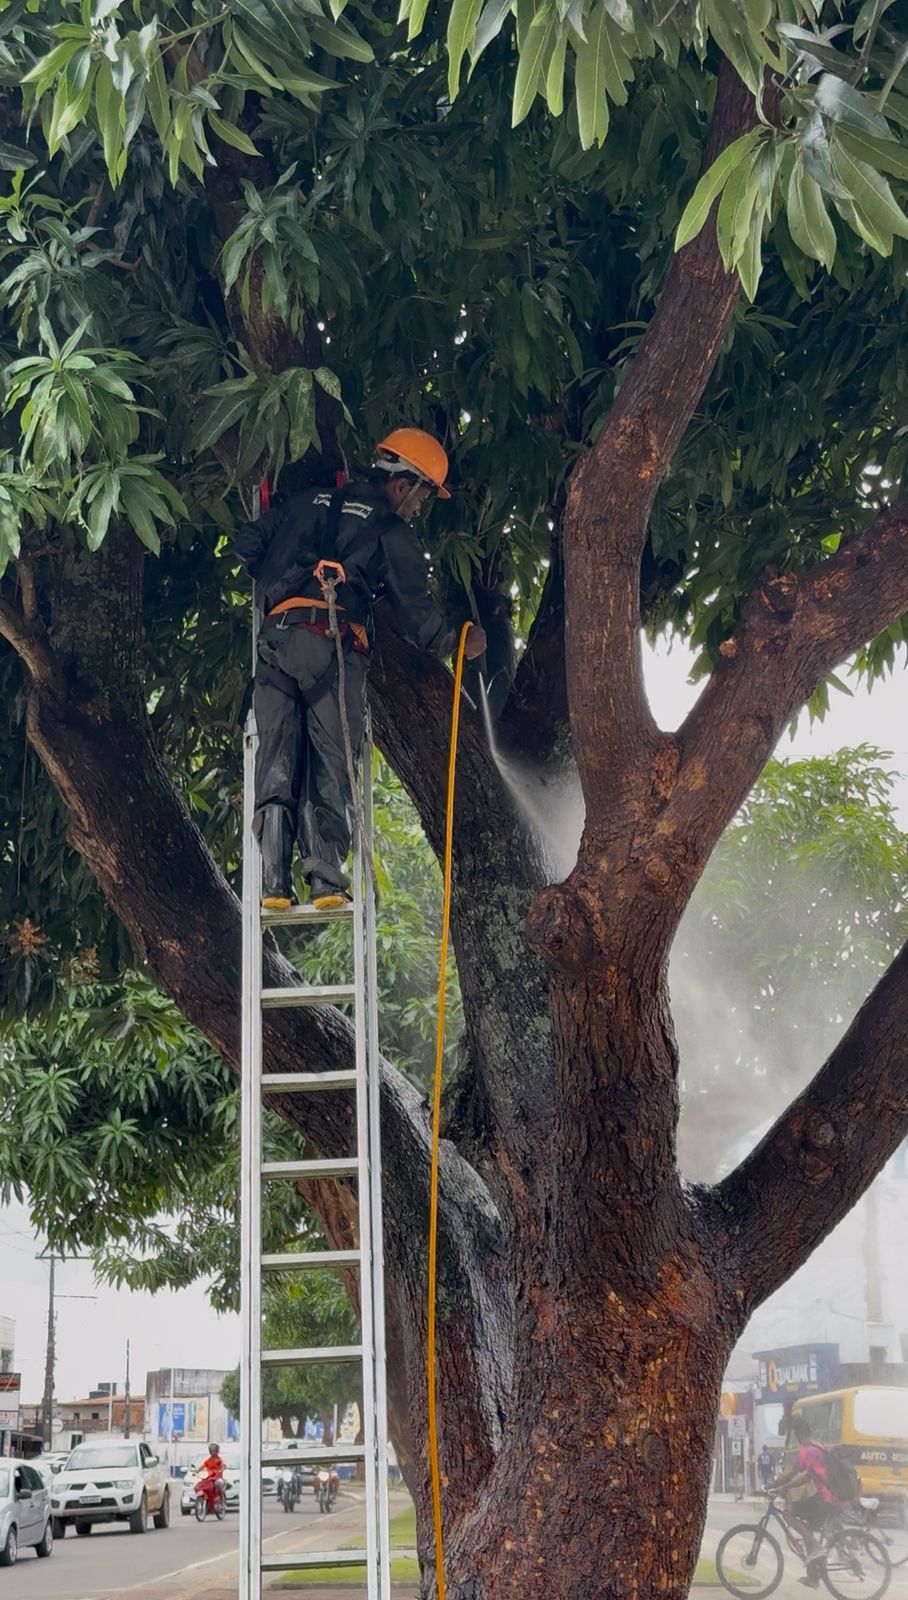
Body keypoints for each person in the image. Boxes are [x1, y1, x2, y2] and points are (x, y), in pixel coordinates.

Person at [232, 428, 486, 911]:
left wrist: (287, 570)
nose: (418, 509)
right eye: (423, 497)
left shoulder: (306, 502)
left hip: (276, 646)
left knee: (276, 761)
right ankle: (325, 879)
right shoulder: (390, 530)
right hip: (331, 649)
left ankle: (272, 883)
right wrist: (458, 642)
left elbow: (248, 544)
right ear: (404, 484)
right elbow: (415, 610)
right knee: (332, 759)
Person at [769, 1416, 842, 1589]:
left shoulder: (807, 1450)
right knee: (806, 1529)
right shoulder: (818, 1447)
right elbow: (807, 1476)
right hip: (830, 1498)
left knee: (788, 1514)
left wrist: (770, 1486)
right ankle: (813, 1576)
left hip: (824, 1498)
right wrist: (786, 1487)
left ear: (800, 1433)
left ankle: (816, 1547)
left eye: (795, 1433)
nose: (795, 1436)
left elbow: (793, 1472)